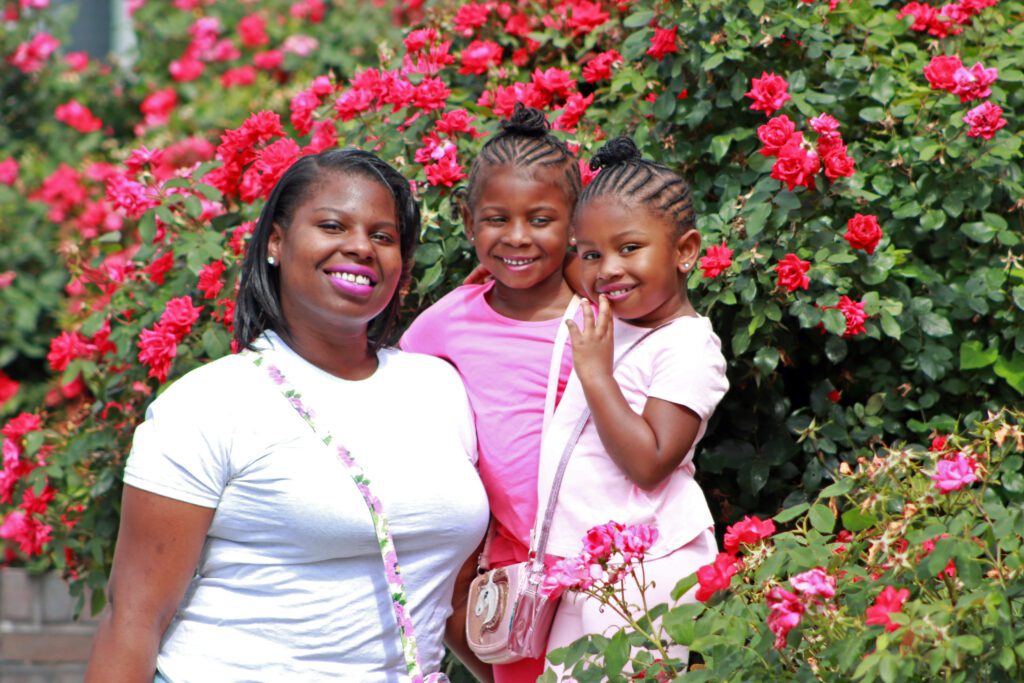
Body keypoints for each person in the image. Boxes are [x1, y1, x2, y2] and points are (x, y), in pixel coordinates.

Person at [84, 148, 490, 683]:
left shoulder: (439, 388)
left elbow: (452, 596)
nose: (360, 247)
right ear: (276, 241)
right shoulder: (211, 403)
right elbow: (134, 617)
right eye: (331, 225)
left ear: (403, 266)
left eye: (383, 236)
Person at [400, 103, 581, 683]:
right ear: (468, 219)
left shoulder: (598, 316)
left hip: (599, 553)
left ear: (576, 223)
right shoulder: (448, 320)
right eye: (497, 219)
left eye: (542, 219)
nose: (518, 237)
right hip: (512, 564)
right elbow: (397, 391)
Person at [540, 136, 729, 673]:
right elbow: (569, 272)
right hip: (591, 570)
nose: (607, 270)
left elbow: (650, 462)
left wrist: (597, 376)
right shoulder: (615, 320)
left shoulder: (688, 345)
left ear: (685, 251)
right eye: (591, 253)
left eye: (629, 249)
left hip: (645, 573)